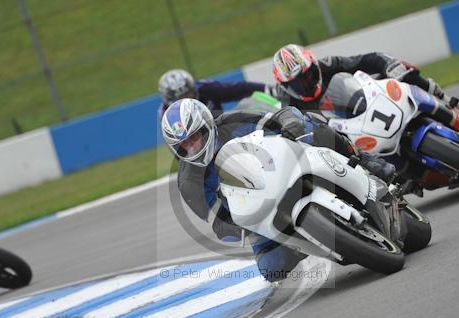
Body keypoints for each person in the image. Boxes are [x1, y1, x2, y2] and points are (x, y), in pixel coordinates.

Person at [161, 98, 396, 282]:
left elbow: (275, 117)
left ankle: (364, 161)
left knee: (312, 123)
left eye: (196, 137)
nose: (193, 146)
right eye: (185, 145)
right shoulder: (189, 183)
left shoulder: (231, 122)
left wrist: (291, 124)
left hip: (282, 167)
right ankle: (311, 239)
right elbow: (218, 223)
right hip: (259, 213)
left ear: (207, 125)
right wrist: (241, 225)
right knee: (271, 269)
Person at [271, 44, 459, 117]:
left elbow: (368, 59)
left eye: (307, 75)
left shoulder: (328, 64)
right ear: (284, 86)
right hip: (346, 136)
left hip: (366, 103)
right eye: (297, 82)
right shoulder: (288, 105)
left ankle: (453, 102)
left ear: (314, 65)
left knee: (403, 70)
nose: (305, 83)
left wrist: (388, 66)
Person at [157, 69, 278, 119]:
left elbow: (237, 89)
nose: (188, 100)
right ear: (170, 101)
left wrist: (266, 88)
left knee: (249, 105)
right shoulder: (167, 115)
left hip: (225, 133)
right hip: (200, 153)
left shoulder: (205, 88)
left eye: (188, 94)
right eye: (182, 98)